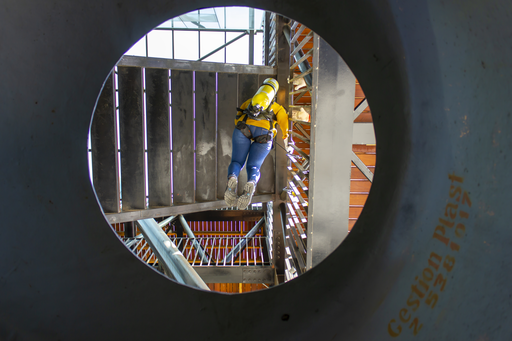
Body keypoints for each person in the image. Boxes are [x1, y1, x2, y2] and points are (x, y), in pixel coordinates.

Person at [224, 78, 292, 210]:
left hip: (243, 129)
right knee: (254, 166)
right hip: (265, 135)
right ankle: (251, 182)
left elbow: (238, 116)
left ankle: (232, 178)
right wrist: (285, 138)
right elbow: (284, 122)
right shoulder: (276, 107)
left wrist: (241, 129)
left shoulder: (250, 101)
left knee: (237, 162)